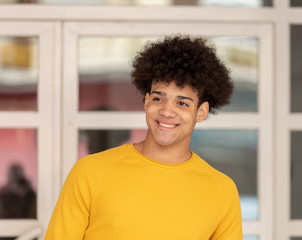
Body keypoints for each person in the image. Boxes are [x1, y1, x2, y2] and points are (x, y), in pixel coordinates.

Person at [45, 35, 243, 240]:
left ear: (201, 112)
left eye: (182, 103)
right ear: (147, 102)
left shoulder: (222, 191)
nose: (167, 111)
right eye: (159, 98)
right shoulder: (89, 173)